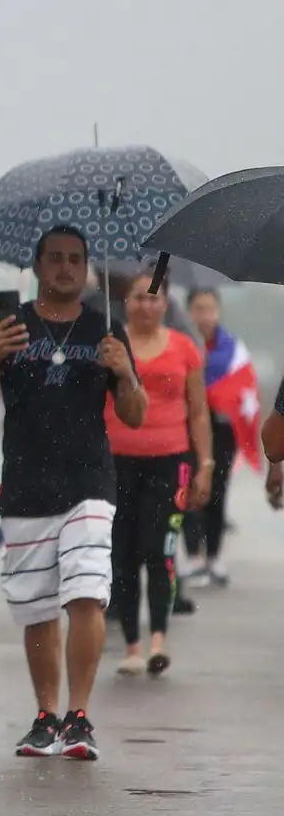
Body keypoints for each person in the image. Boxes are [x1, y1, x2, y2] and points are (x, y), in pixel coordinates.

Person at [0, 225, 146, 761]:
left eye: (75, 260)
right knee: (36, 605)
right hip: (25, 483)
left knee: (86, 591)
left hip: (90, 480)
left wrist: (125, 372)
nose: (66, 268)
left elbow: (134, 416)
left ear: (87, 268)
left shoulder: (105, 327)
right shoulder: (8, 324)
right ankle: (46, 715)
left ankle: (80, 717)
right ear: (37, 266)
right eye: (55, 259)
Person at [107, 270, 212, 677]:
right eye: (139, 298)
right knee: (124, 553)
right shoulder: (113, 347)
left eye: (155, 298)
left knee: (160, 550)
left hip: (171, 461)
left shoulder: (185, 348)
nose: (147, 305)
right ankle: (131, 644)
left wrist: (205, 464)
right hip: (118, 462)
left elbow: (199, 410)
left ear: (166, 303)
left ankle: (158, 641)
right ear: (126, 303)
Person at [185, 287, 248, 587]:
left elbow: (242, 389)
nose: (204, 316)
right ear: (189, 312)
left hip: (221, 429)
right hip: (186, 425)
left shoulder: (232, 349)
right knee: (188, 486)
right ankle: (193, 555)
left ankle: (214, 556)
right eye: (198, 308)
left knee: (217, 489)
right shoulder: (180, 343)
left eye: (210, 309)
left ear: (218, 312)